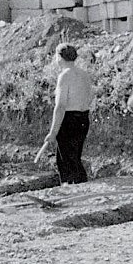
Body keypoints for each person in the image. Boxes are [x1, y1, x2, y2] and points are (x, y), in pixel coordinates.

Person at [43, 44, 94, 184]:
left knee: (65, 161)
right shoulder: (84, 74)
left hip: (69, 120)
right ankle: (80, 187)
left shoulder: (64, 76)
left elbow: (60, 106)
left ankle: (70, 191)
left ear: (59, 57)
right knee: (75, 158)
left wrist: (53, 132)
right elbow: (90, 97)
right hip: (83, 118)